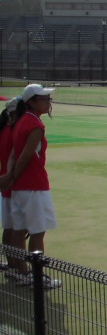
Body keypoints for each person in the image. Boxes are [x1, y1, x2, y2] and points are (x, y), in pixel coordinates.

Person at [0, 86, 62, 288]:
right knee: (37, 232)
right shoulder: (34, 124)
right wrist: (11, 176)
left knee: (19, 230)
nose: (48, 102)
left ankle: (21, 271)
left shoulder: (19, 122)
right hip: (33, 185)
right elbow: (25, 156)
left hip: (20, 186)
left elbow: (13, 155)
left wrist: (10, 177)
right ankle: (36, 275)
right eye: (44, 99)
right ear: (32, 102)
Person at [0, 97, 21, 274]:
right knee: (17, 228)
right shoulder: (14, 131)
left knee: (9, 227)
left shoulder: (4, 129)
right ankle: (19, 267)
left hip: (6, 184)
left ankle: (11, 264)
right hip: (15, 183)